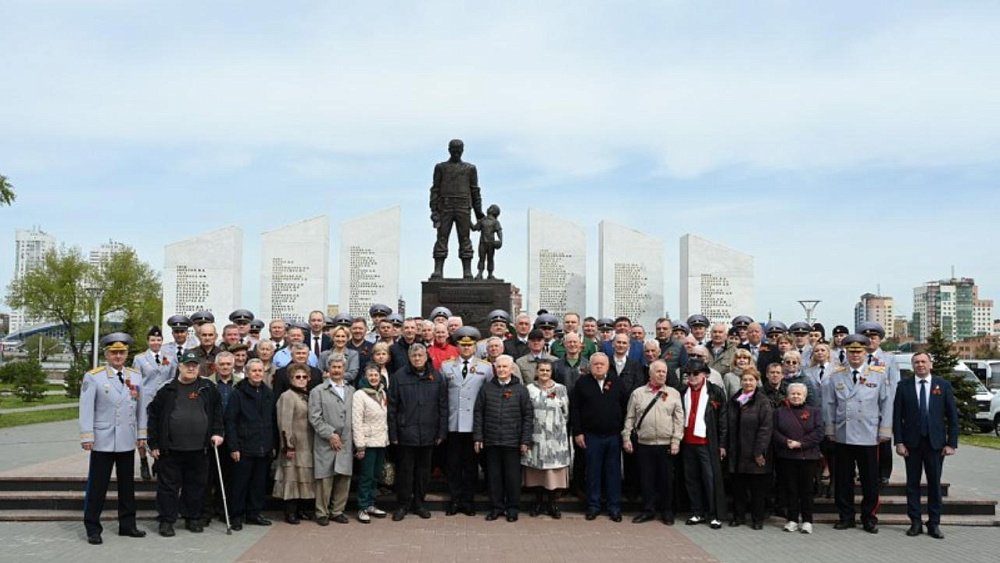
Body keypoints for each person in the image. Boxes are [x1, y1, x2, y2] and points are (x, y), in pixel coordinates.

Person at [79, 332, 147, 544]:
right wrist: (87, 435)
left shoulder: (135, 376)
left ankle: (127, 525)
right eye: (114, 352)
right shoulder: (94, 376)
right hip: (103, 438)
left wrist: (142, 433)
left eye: (122, 352)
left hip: (126, 438)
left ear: (127, 354)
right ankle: (92, 527)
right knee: (98, 486)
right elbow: (86, 408)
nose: (118, 356)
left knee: (127, 486)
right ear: (106, 354)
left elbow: (140, 408)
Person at [147, 350, 224, 538]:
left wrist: (217, 433)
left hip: (200, 448)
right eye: (187, 365)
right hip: (171, 449)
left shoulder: (207, 388)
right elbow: (154, 418)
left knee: (196, 486)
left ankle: (192, 517)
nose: (191, 368)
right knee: (168, 487)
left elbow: (217, 413)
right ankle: (167, 520)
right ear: (179, 366)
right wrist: (154, 443)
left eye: (194, 365)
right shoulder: (167, 390)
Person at [822, 334, 893, 534]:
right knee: (843, 479)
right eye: (851, 351)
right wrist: (830, 429)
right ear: (845, 352)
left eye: (858, 351)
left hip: (869, 434)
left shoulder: (878, 374)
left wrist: (885, 430)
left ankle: (869, 517)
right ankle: (846, 516)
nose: (855, 355)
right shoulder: (836, 375)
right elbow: (829, 404)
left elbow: (886, 404)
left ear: (865, 352)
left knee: (870, 480)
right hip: (843, 433)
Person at [893, 351, 959, 539]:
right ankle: (915, 522)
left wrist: (951, 443)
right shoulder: (903, 386)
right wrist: (899, 442)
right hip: (911, 444)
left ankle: (934, 523)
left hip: (935, 444)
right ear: (912, 366)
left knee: (934, 485)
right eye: (916, 362)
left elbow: (952, 416)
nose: (920, 365)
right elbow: (897, 417)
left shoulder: (943, 386)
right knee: (912, 484)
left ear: (931, 364)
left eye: (923, 362)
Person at [388, 343, 448, 521]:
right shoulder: (399, 376)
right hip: (406, 433)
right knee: (405, 472)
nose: (417, 359)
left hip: (429, 433)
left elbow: (443, 406)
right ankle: (403, 504)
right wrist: (393, 434)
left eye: (420, 356)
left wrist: (441, 433)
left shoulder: (436, 377)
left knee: (423, 472)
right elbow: (392, 407)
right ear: (409, 357)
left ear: (426, 356)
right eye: (414, 356)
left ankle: (420, 504)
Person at [622, 359, 684, 525]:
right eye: (658, 371)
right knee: (646, 479)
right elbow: (630, 417)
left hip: (666, 444)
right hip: (644, 444)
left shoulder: (673, 393)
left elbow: (679, 420)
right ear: (650, 374)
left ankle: (667, 511)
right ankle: (648, 510)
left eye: (664, 371)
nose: (662, 374)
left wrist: (676, 441)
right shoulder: (638, 393)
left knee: (666, 480)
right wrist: (626, 437)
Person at [473, 354, 533, 522]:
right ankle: (496, 507)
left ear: (511, 369)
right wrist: (478, 437)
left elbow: (527, 416)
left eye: (505, 367)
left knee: (512, 478)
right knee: (494, 477)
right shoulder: (486, 388)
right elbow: (479, 413)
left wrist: (525, 440)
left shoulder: (521, 390)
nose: (501, 370)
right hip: (491, 440)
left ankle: (512, 508)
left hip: (512, 441)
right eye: (498, 367)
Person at [570, 353, 629, 522]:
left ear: (608, 365)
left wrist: (624, 432)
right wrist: (578, 432)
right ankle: (593, 506)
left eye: (601, 364)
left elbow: (625, 407)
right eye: (595, 364)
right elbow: (575, 409)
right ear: (590, 366)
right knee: (593, 472)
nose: (598, 366)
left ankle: (614, 507)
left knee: (613, 472)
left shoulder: (617, 382)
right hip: (591, 436)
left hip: (613, 436)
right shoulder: (582, 383)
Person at [441, 327, 491, 516]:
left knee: (470, 466)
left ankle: (468, 501)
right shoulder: (447, 366)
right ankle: (455, 500)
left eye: (470, 345)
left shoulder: (485, 368)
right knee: (453, 465)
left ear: (475, 346)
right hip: (453, 424)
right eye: (463, 345)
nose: (466, 348)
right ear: (457, 346)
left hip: (473, 425)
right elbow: (443, 396)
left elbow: (487, 397)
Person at [224, 358, 275, 531]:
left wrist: (272, 444)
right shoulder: (237, 393)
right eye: (254, 371)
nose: (257, 374)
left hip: (263, 446)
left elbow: (272, 421)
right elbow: (230, 421)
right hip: (244, 447)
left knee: (258, 484)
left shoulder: (268, 393)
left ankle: (254, 513)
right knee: (240, 484)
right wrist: (234, 447)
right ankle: (236, 515)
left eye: (260, 371)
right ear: (247, 372)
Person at [681, 360, 728, 529]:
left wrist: (722, 444)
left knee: (710, 479)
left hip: (707, 442)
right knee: (691, 479)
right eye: (689, 374)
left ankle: (714, 514)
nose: (692, 377)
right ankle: (697, 512)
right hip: (687, 442)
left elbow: (723, 419)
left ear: (704, 374)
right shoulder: (683, 392)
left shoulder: (715, 392)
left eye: (696, 373)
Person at [309, 353, 355, 525]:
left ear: (344, 369)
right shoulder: (318, 391)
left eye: (340, 367)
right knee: (325, 478)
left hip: (346, 440)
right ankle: (322, 512)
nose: (336, 370)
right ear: (328, 369)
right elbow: (314, 417)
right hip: (326, 441)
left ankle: (337, 511)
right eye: (333, 367)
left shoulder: (351, 390)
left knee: (343, 477)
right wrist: (330, 434)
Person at [522, 359, 571, 519]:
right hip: (535, 438)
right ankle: (538, 502)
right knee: (537, 473)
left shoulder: (560, 389)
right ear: (536, 372)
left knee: (553, 473)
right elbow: (525, 413)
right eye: (541, 370)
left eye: (547, 371)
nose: (544, 373)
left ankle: (552, 503)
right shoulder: (529, 389)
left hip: (555, 440)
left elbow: (566, 413)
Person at [429, 139, 485, 279]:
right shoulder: (441, 167)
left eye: (458, 149)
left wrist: (479, 214)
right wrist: (434, 210)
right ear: (449, 150)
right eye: (453, 149)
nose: (456, 152)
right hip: (445, 207)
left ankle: (467, 271)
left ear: (463, 150)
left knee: (465, 239)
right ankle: (438, 270)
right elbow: (435, 190)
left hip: (463, 207)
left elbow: (475, 191)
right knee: (442, 238)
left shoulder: (470, 169)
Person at [773, 382, 824, 534]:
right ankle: (792, 519)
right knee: (790, 489)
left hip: (808, 457)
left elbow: (819, 432)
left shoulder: (814, 412)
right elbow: (774, 431)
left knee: (806, 490)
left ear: (805, 396)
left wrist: (801, 443)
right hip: (787, 456)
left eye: (799, 394)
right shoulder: (779, 412)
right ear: (787, 396)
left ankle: (807, 520)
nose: (795, 396)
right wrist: (785, 442)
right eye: (793, 394)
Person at [726, 370, 773, 530]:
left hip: (754, 452)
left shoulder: (762, 401)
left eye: (751, 380)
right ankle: (738, 517)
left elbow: (765, 429)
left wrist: (759, 452)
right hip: (737, 452)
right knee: (738, 489)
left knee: (757, 491)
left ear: (757, 381)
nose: (747, 383)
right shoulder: (735, 399)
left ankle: (757, 519)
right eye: (745, 380)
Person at [274, 363, 317, 524]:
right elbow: (284, 423)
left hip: (308, 444)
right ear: (291, 379)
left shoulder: (307, 395)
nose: (301, 380)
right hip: (294, 444)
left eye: (304, 377)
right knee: (291, 476)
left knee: (304, 477)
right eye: (297, 377)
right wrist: (288, 446)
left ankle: (302, 510)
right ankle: (290, 512)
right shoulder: (287, 396)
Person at [132, 326, 174, 481]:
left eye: (158, 339)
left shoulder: (170, 356)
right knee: (143, 430)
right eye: (152, 340)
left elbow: (172, 377)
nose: (156, 342)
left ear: (162, 341)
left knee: (162, 429)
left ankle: (158, 461)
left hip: (164, 399)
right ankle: (143, 462)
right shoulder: (140, 358)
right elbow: (136, 380)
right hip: (145, 398)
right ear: (148, 341)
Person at [353, 365, 390, 523]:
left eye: (376, 375)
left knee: (376, 476)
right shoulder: (360, 395)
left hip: (381, 441)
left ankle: (370, 504)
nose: (374, 378)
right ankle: (362, 506)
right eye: (371, 375)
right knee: (366, 477)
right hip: (367, 442)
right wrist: (359, 445)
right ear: (365, 376)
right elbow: (356, 421)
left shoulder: (382, 392)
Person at [472, 203, 503, 280]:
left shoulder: (495, 222)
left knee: (490, 259)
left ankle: (490, 274)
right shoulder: (483, 220)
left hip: (491, 244)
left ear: (494, 211)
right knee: (481, 258)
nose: (488, 209)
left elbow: (499, 231)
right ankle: (480, 273)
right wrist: (467, 220)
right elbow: (474, 228)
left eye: (490, 208)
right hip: (482, 243)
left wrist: (500, 240)